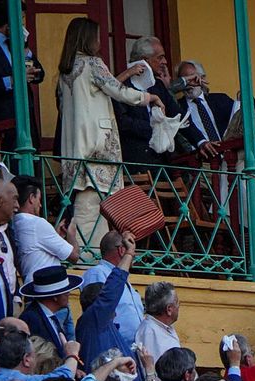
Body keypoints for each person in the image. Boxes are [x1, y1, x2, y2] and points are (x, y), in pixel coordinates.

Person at [55, 17, 161, 256]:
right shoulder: (93, 63)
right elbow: (118, 91)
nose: (100, 41)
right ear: (88, 38)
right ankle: (87, 260)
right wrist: (149, 98)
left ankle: (86, 257)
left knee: (87, 210)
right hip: (98, 149)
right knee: (95, 211)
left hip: (74, 152)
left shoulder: (65, 72)